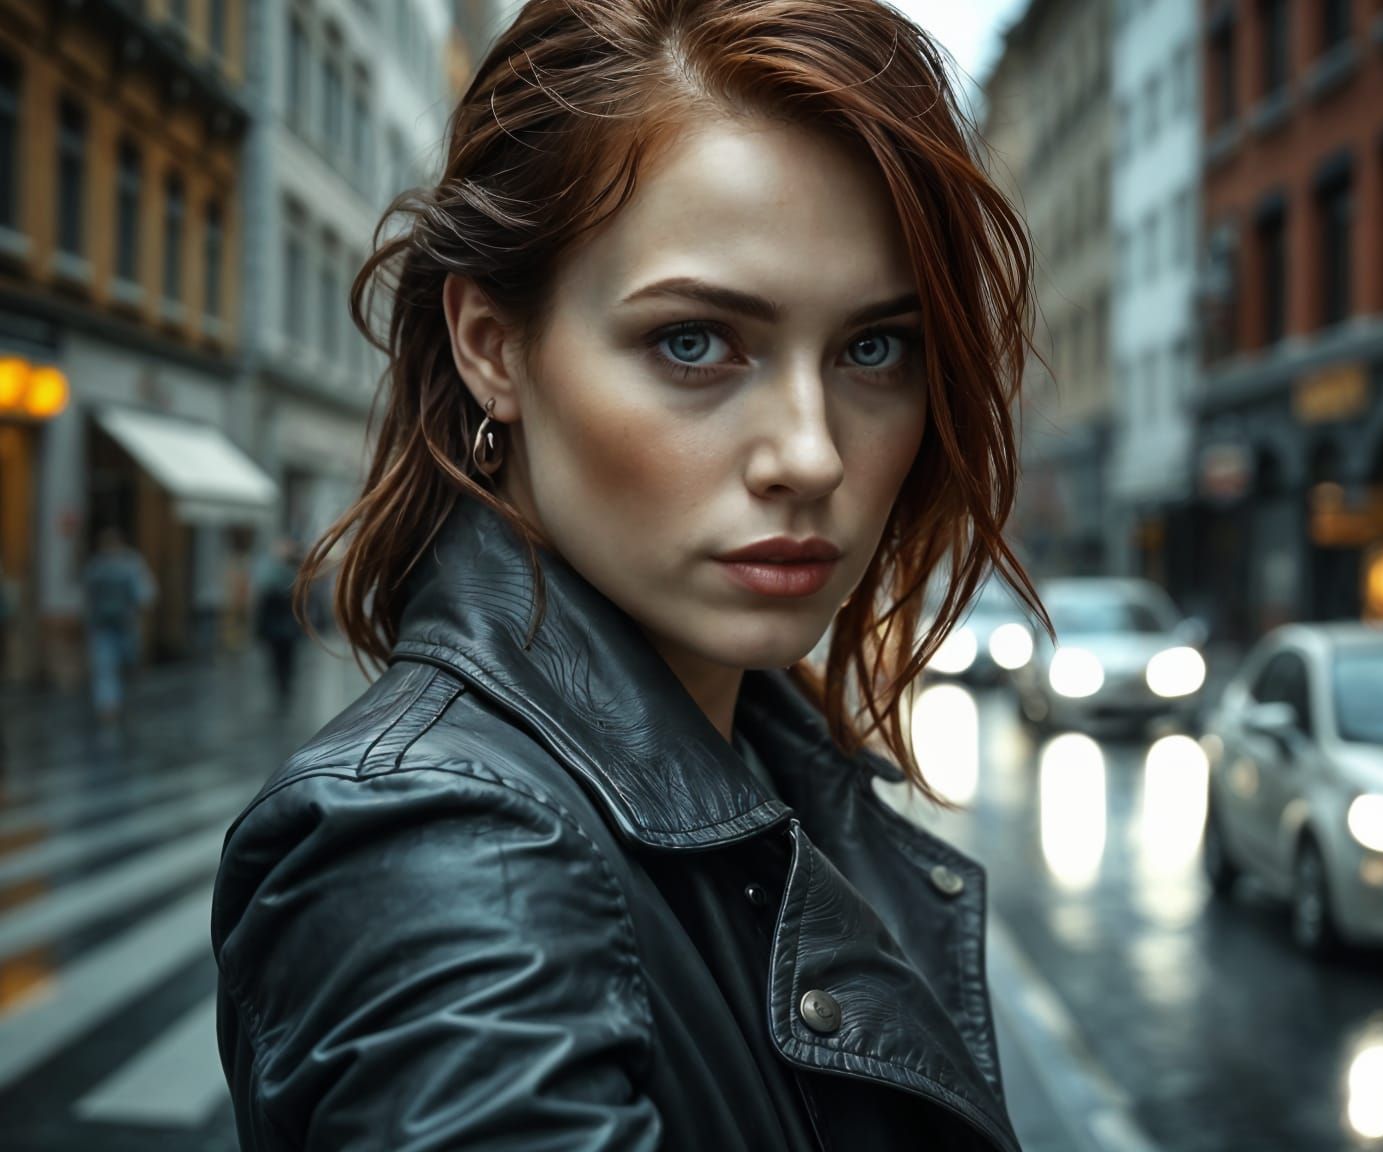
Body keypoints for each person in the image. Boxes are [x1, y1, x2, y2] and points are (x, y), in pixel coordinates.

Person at [211, 2, 1045, 1149]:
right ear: (494, 347)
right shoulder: (439, 851)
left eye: (873, 348)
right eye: (694, 341)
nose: (810, 453)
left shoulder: (765, 756)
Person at [81, 526, 156, 724]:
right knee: (113, 664)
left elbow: (87, 596)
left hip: (107, 625)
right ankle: (111, 705)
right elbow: (145, 594)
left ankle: (110, 705)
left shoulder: (97, 566)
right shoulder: (130, 564)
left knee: (108, 666)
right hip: (121, 624)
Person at [251, 536, 303, 706]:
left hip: (278, 629)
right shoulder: (292, 579)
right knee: (285, 659)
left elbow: (263, 610)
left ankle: (282, 686)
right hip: (285, 629)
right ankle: (284, 685)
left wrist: (259, 630)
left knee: (279, 660)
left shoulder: (270, 582)